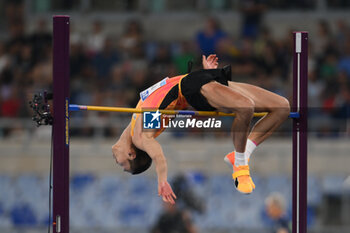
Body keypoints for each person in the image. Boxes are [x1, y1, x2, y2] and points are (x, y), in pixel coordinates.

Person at [112, 54, 290, 204]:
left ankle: (242, 155)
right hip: (194, 88)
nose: (117, 161)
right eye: (122, 164)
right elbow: (158, 155)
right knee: (245, 107)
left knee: (282, 107)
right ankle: (241, 164)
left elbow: (161, 98)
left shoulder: (135, 122)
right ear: (132, 154)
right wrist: (162, 181)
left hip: (199, 80)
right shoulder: (141, 137)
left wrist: (206, 72)